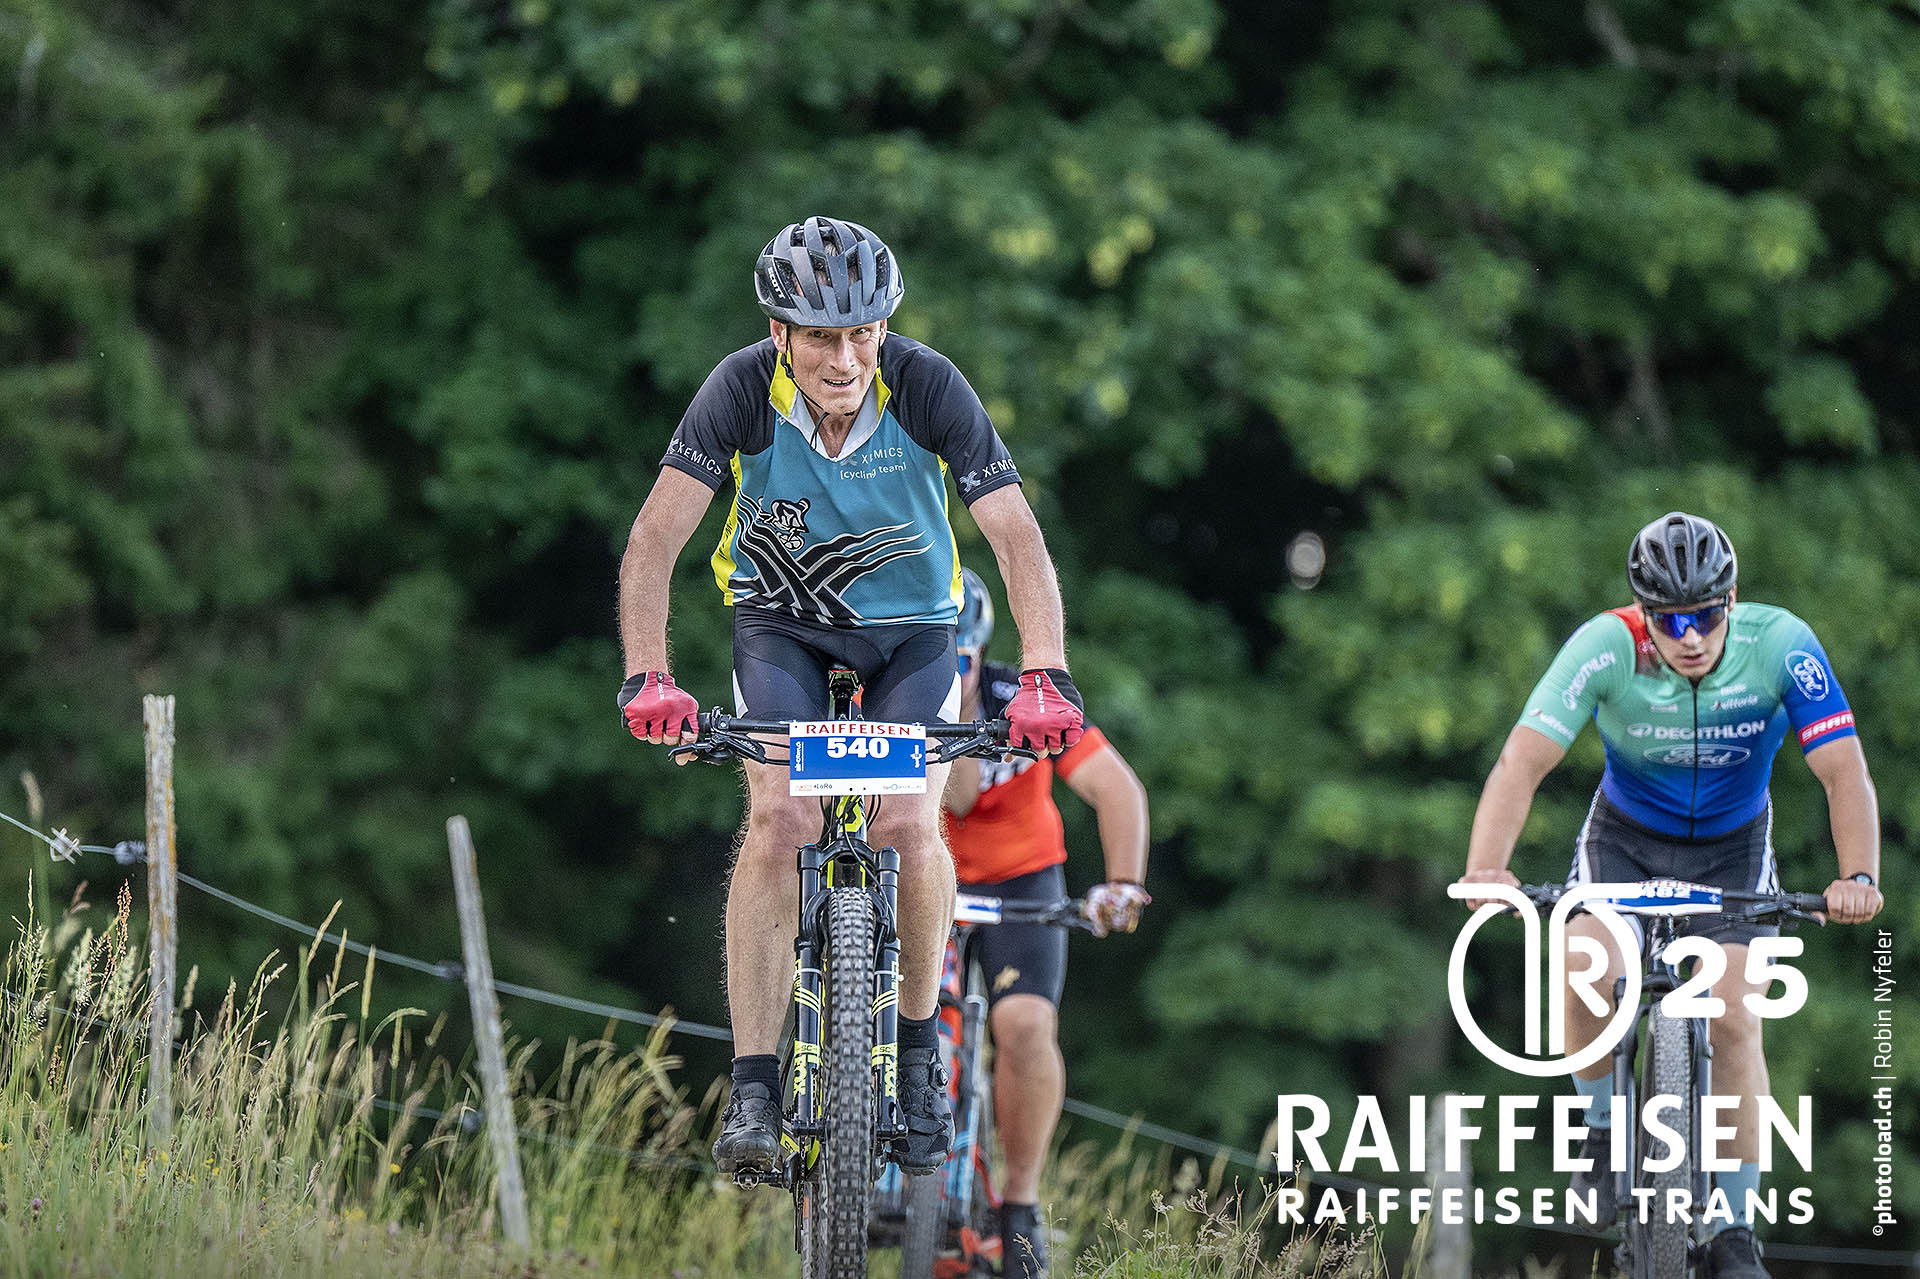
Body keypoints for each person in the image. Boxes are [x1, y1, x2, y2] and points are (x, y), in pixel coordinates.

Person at [615, 216, 1086, 1181]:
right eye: (821, 337)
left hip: (915, 631)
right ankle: (754, 1084)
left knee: (908, 821)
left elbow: (1016, 536)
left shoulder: (928, 385)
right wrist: (648, 671)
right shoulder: (738, 390)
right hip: (780, 622)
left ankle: (916, 1053)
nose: (844, 359)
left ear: (884, 329)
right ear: (779, 333)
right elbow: (655, 537)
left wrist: (1044, 670)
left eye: (862, 333)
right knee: (780, 817)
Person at [1457, 512, 1883, 1279]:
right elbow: (1522, 761)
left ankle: (1733, 1227)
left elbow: (1842, 768)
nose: (1691, 637)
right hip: (1625, 840)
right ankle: (1601, 1129)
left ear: (1733, 601)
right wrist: (1487, 867)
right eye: (1671, 620)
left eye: (1707, 616)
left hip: (1732, 849)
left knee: (1735, 1016)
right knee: (1582, 960)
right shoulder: (1605, 646)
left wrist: (1857, 877)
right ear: (1643, 612)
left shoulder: (1782, 645)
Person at [940, 569, 1151, 1279]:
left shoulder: (1019, 700)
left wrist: (1123, 884)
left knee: (1026, 1026)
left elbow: (1117, 788)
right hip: (927, 879)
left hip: (1020, 878)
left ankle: (1020, 1205)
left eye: (959, 659)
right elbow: (955, 796)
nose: (950, 674)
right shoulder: (886, 698)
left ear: (979, 649)